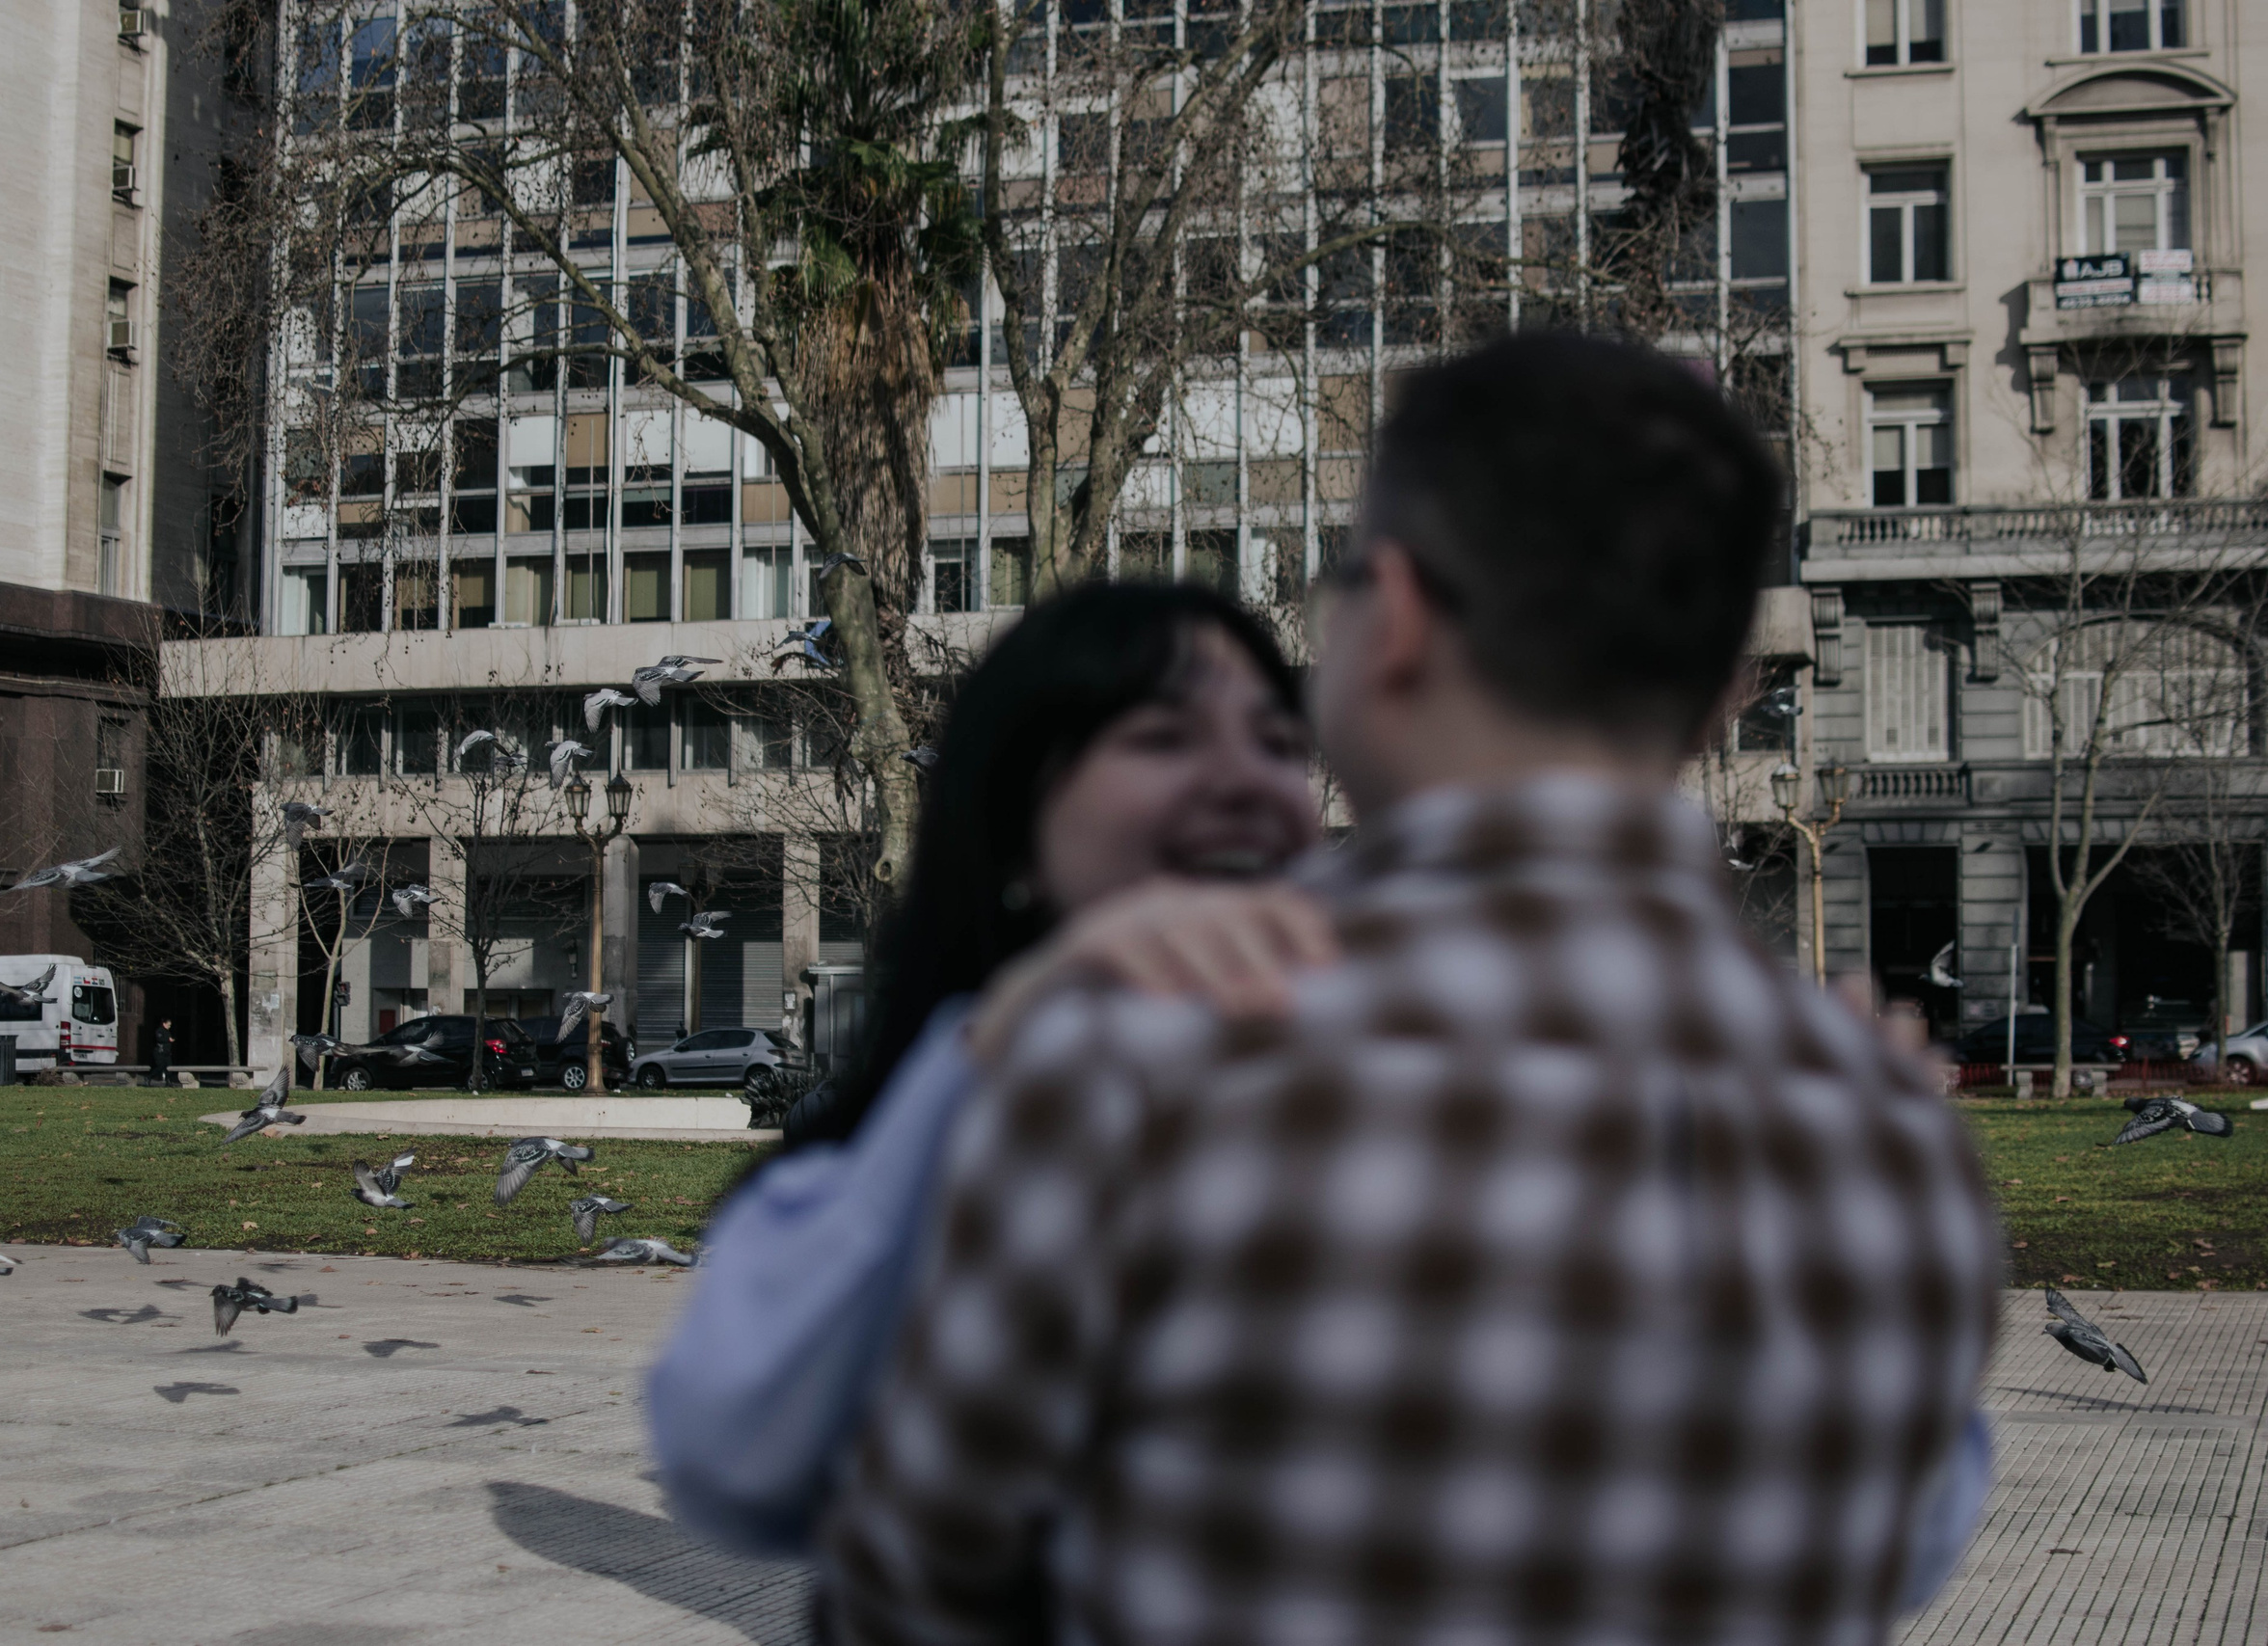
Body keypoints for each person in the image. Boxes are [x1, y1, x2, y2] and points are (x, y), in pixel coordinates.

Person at [822, 334, 2005, 1645]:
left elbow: (897, 1596)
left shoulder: (1131, 1058)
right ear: (1728, 687)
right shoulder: (1891, 1147)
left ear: (1392, 618)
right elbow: (1883, 1537)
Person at [650, 581, 1335, 1555]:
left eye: (1277, 742)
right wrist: (992, 1049)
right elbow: (735, 1464)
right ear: (1014, 822)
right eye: (1161, 737)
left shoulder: (1400, 1086)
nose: (1245, 780)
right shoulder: (908, 1129)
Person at [149, 1017, 174, 1087]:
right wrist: (168, 1040)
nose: (169, 1026)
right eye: (168, 1025)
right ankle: (149, 1077)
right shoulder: (159, 1031)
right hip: (160, 1053)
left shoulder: (167, 1031)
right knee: (160, 1067)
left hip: (167, 1053)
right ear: (164, 1024)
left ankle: (168, 1081)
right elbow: (160, 1039)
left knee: (169, 1067)